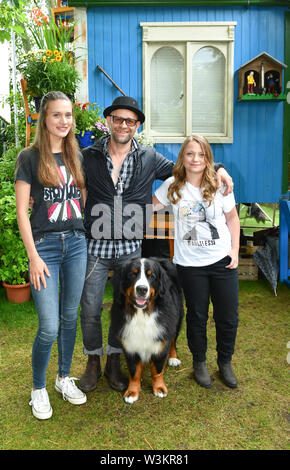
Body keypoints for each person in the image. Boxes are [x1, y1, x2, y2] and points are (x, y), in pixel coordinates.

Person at [78, 95, 234, 394]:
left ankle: (114, 361)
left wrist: (221, 167)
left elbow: (187, 168)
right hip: (95, 245)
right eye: (118, 119)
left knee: (125, 307)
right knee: (90, 307)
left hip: (129, 248)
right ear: (109, 121)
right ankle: (92, 361)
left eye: (130, 121)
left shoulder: (149, 157)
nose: (124, 125)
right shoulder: (89, 155)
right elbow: (65, 174)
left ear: (137, 126)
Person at [15, 91, 88, 420]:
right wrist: (33, 256)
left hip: (75, 244)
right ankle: (37, 388)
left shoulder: (76, 155)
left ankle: (62, 378)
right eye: (57, 115)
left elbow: (81, 196)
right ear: (44, 118)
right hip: (44, 248)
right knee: (49, 325)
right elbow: (21, 212)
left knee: (69, 318)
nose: (64, 121)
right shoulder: (28, 158)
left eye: (68, 115)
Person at [153, 134, 240, 389]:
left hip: (222, 261)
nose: (195, 159)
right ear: (183, 157)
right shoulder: (172, 185)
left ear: (208, 159)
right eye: (190, 153)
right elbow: (148, 207)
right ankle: (199, 363)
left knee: (228, 317)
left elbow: (233, 219)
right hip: (190, 265)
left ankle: (225, 362)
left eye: (201, 154)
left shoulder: (219, 184)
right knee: (197, 316)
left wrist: (234, 250)